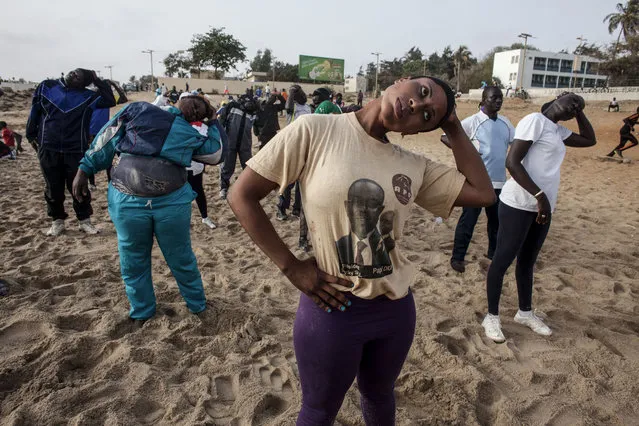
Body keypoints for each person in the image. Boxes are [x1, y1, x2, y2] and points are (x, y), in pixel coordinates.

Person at [227, 76, 495, 424]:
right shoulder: (314, 130)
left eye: (427, 116)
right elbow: (241, 196)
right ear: (401, 82)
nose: (416, 106)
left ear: (414, 132)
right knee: (319, 410)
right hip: (332, 308)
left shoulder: (413, 166)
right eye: (422, 93)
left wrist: (454, 127)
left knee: (380, 397)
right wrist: (291, 267)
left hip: (395, 313)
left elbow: (484, 193)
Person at [72, 96, 223, 321]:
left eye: (201, 111)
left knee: (181, 257)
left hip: (170, 204)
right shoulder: (138, 109)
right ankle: (142, 311)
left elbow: (215, 154)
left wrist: (212, 120)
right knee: (133, 260)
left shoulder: (190, 134)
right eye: (196, 103)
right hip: (128, 201)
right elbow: (107, 138)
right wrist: (84, 169)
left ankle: (197, 304)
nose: (196, 109)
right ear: (183, 99)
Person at [482, 93, 596, 343]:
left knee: (527, 262)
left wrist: (579, 112)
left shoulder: (558, 130)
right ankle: (491, 317)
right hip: (519, 203)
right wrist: (539, 196)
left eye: (579, 106)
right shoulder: (535, 120)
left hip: (543, 207)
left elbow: (590, 139)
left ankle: (524, 312)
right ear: (559, 97)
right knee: (502, 259)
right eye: (573, 101)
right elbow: (512, 162)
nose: (576, 106)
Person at [26, 68, 116, 236]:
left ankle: (84, 221)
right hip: (48, 145)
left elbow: (110, 99)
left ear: (83, 85)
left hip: (75, 148)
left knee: (79, 186)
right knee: (52, 186)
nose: (74, 75)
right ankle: (57, 221)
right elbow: (35, 111)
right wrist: (30, 135)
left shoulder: (88, 97)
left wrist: (97, 81)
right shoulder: (47, 87)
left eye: (79, 78)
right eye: (74, 72)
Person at [441, 87, 515, 272]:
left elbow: (516, 143)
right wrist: (467, 152)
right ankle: (458, 257)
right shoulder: (472, 122)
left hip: (499, 183)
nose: (498, 101)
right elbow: (445, 137)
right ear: (484, 99)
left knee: (496, 222)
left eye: (500, 98)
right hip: (476, 182)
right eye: (494, 98)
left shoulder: (506, 123)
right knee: (468, 221)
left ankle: (493, 253)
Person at [277, 85, 312, 220]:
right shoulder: (292, 107)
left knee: (301, 182)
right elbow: (288, 108)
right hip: (292, 145)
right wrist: (291, 93)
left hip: (306, 146)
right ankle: (281, 208)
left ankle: (296, 209)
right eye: (298, 93)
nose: (302, 95)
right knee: (288, 181)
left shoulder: (308, 108)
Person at [88, 81, 129, 187]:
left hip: (104, 132)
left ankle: (109, 182)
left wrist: (114, 85)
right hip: (90, 132)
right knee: (90, 156)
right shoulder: (90, 99)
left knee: (108, 157)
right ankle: (92, 183)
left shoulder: (107, 100)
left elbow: (123, 99)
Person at [218, 95, 259, 199]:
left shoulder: (254, 112)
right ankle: (224, 188)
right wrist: (220, 135)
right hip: (230, 143)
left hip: (245, 145)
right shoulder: (232, 106)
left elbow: (257, 127)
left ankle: (249, 188)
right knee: (227, 167)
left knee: (247, 167)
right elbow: (221, 120)